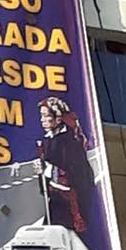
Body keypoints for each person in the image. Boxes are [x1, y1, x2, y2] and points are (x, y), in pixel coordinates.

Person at [34, 96, 94, 234]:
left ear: (58, 118)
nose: (41, 120)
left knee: (65, 237)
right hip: (55, 199)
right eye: (41, 116)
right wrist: (41, 172)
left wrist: (48, 169)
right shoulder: (47, 140)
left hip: (70, 202)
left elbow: (76, 173)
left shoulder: (70, 141)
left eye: (45, 116)